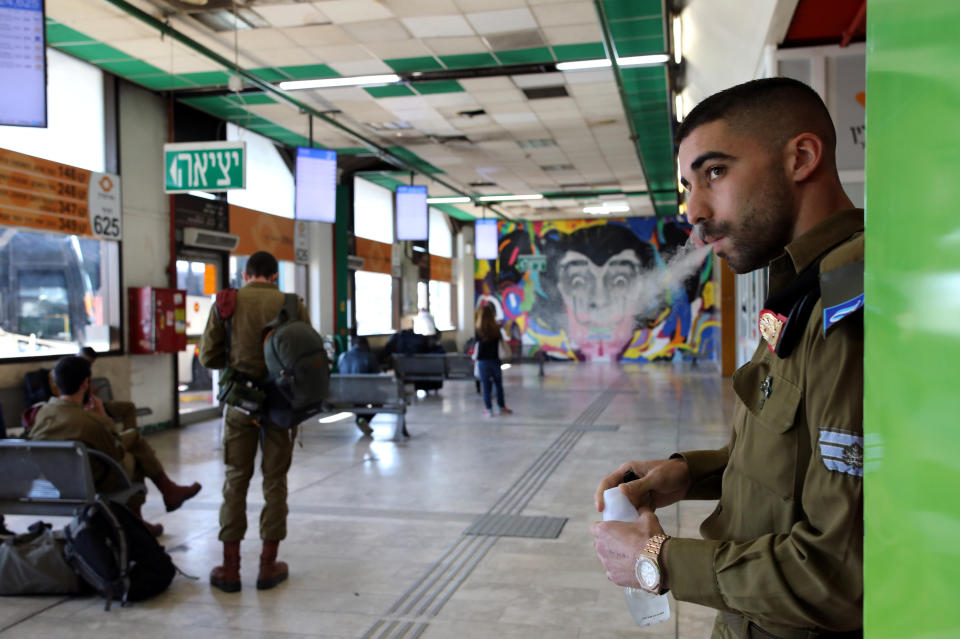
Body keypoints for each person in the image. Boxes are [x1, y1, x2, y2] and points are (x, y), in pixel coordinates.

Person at [591, 77, 864, 639]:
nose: (694, 209)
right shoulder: (802, 286)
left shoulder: (852, 302)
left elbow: (844, 574)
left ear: (802, 158)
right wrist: (688, 473)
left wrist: (658, 560)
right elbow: (794, 461)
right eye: (689, 183)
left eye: (715, 172)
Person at [199, 250, 309, 593]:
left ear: (246, 275)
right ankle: (267, 565)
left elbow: (208, 356)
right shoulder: (290, 303)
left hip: (240, 406)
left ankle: (230, 568)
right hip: (279, 406)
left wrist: (236, 357)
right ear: (274, 276)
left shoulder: (227, 302)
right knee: (274, 482)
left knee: (236, 480)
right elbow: (303, 353)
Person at [29, 356, 201, 537]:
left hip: (57, 484)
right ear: (85, 384)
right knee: (135, 458)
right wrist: (103, 417)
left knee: (133, 443)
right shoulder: (90, 422)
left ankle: (161, 499)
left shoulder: (41, 415)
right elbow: (116, 452)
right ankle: (143, 517)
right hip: (93, 483)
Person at [42, 346, 140, 432]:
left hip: (93, 403)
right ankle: (125, 441)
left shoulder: (84, 372)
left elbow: (90, 391)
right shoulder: (62, 372)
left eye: (90, 364)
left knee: (129, 407)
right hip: (80, 408)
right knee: (129, 437)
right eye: (87, 362)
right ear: (78, 355)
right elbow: (66, 396)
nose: (88, 366)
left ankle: (127, 438)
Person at [474, 304, 512, 417]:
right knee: (498, 385)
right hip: (495, 360)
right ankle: (501, 407)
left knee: (486, 386)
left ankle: (488, 409)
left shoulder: (478, 330)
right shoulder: (496, 330)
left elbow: (476, 345)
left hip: (482, 362)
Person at [337, 336, 380, 436]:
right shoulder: (370, 356)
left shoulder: (343, 356)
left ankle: (361, 419)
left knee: (358, 395)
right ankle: (362, 419)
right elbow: (376, 378)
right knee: (383, 396)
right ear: (365, 344)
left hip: (344, 394)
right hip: (364, 394)